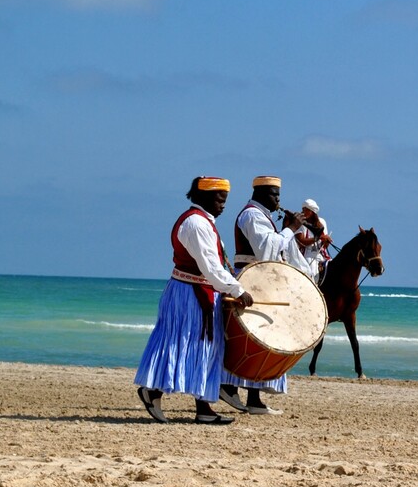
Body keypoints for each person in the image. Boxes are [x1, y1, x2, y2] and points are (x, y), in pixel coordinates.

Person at [134, 176, 254, 425]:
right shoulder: (196, 224)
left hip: (199, 292)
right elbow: (210, 267)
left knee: (204, 349)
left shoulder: (202, 222)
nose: (223, 205)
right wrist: (237, 289)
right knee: (182, 344)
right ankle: (152, 391)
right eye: (220, 200)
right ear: (206, 198)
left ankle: (204, 408)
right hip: (189, 294)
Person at [219, 175, 310, 415]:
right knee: (251, 338)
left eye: (279, 194)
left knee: (264, 339)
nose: (278, 199)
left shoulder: (263, 216)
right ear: (259, 194)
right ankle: (228, 386)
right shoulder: (251, 215)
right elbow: (266, 250)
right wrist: (290, 230)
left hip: (262, 282)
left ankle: (254, 399)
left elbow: (275, 246)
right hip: (251, 282)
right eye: (274, 194)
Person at [294, 198, 332, 281]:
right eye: (303, 209)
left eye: (306, 210)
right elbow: (301, 241)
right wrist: (318, 238)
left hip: (322, 254)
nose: (303, 212)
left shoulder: (322, 222)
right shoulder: (300, 222)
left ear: (312, 212)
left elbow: (325, 246)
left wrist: (327, 241)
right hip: (307, 255)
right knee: (311, 275)